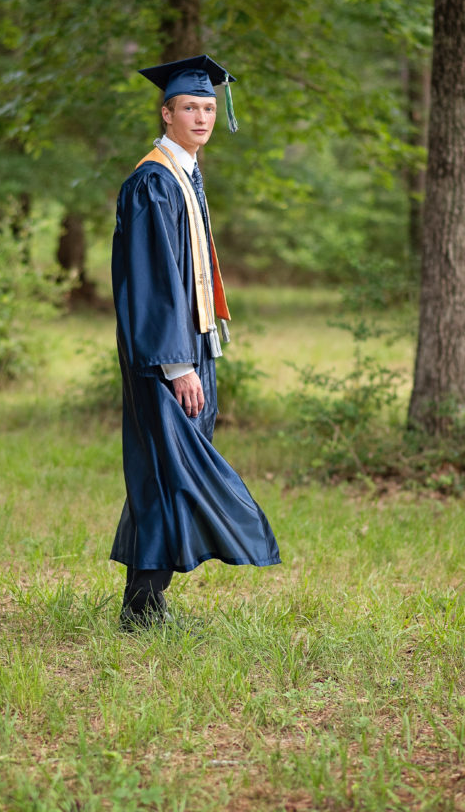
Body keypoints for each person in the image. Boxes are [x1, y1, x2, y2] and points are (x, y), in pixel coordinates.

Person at [110, 54, 281, 630]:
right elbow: (154, 279)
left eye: (209, 107)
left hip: (191, 348)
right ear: (167, 113)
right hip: (165, 356)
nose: (203, 117)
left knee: (168, 469)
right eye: (190, 107)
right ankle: (141, 607)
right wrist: (179, 365)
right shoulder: (153, 183)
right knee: (171, 469)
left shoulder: (184, 176)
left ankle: (145, 602)